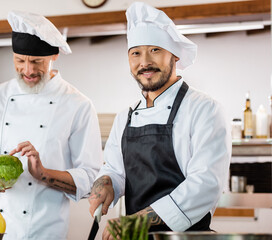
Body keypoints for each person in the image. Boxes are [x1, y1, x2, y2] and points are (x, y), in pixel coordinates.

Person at [88, 2, 231, 239]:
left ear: (174, 55)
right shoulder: (125, 117)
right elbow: (114, 170)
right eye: (135, 53)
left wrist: (136, 222)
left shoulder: (205, 109)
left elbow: (205, 185)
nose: (144, 62)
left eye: (154, 50)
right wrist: (105, 183)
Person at [0, 10, 103, 240]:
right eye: (20, 60)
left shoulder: (78, 105)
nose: (27, 70)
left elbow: (90, 177)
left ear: (54, 56)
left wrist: (43, 174)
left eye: (37, 62)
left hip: (43, 230)